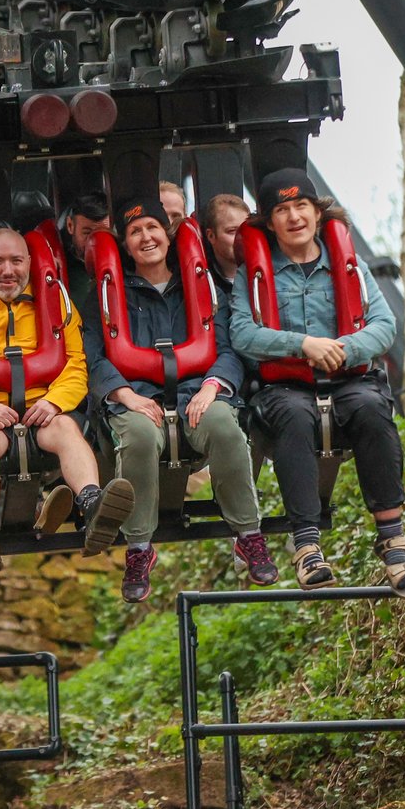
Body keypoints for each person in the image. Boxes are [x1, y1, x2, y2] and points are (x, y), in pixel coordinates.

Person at [229, 168, 405, 596]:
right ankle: (307, 546)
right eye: (282, 210)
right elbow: (241, 332)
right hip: (287, 387)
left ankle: (393, 540)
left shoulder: (348, 264)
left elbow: (383, 325)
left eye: (301, 206)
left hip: (349, 379)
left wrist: (344, 349)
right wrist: (303, 345)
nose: (294, 217)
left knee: (372, 408)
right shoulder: (255, 275)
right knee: (293, 417)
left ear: (318, 213)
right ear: (269, 221)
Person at [82, 198, 277, 602]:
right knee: (136, 435)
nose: (146, 237)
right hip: (137, 395)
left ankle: (248, 534)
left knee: (224, 426)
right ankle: (138, 548)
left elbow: (227, 347)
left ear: (168, 236)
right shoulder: (109, 291)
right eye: (135, 232)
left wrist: (212, 387)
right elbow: (93, 354)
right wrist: (123, 394)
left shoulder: (198, 285)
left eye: (153, 228)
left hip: (196, 390)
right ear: (126, 243)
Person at [0, 227, 134, 574]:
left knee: (67, 428)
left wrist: (55, 401)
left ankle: (94, 504)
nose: (8, 271)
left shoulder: (55, 301)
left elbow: (75, 363)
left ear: (29, 263)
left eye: (16, 261)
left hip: (44, 409)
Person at [62, 192, 110, 309]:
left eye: (102, 234)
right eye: (87, 233)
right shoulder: (60, 267)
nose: (93, 242)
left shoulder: (126, 264)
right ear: (70, 226)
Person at [202, 192, 251, 303]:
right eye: (232, 231)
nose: (241, 238)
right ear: (211, 236)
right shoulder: (202, 283)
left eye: (246, 230)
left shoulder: (267, 274)